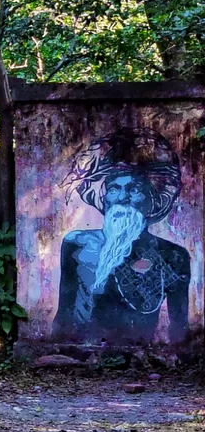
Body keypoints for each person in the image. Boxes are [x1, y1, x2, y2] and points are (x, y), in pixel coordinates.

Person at [54, 130, 190, 344]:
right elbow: (65, 311)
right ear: (104, 197)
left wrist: (174, 357)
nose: (122, 197)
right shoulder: (76, 244)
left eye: (134, 189)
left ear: (151, 198)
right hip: (82, 352)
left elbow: (179, 323)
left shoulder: (173, 255)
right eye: (114, 189)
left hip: (141, 354)